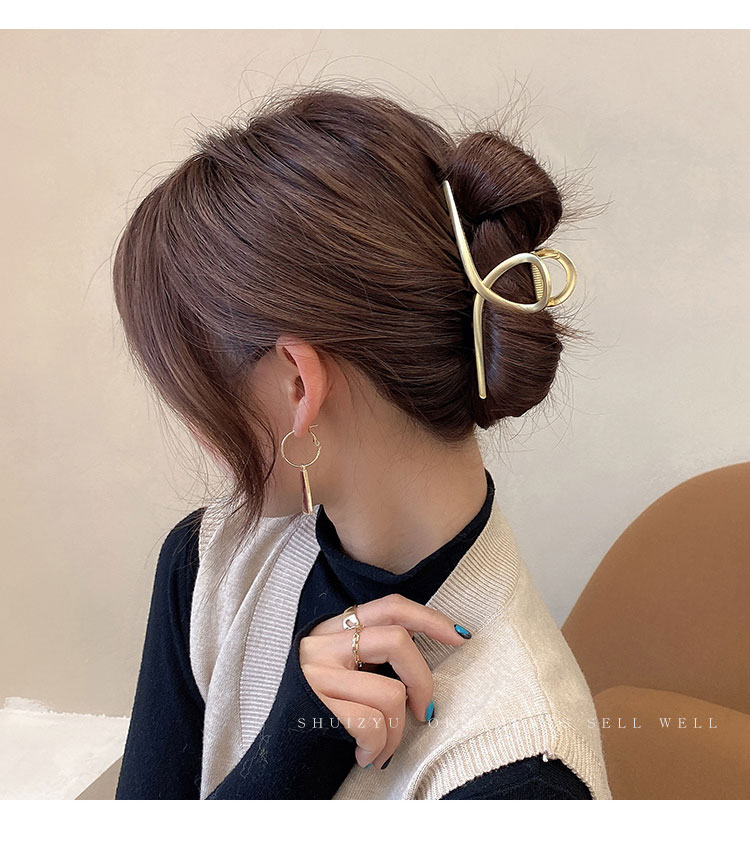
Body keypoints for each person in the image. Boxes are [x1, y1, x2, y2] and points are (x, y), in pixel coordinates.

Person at [112, 83, 610, 800]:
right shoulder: (207, 565)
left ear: (298, 385)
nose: (194, 424)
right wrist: (287, 756)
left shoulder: (520, 777)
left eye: (195, 389)